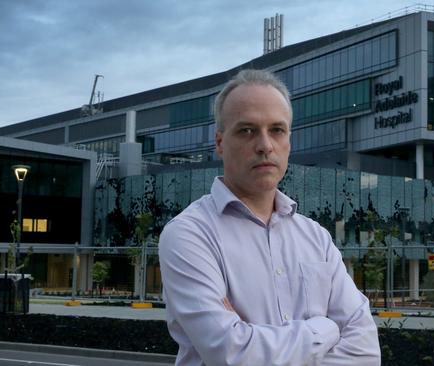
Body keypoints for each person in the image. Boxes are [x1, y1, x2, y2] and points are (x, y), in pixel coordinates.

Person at [159, 69, 380, 365]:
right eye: (247, 130)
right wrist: (325, 329)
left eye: (277, 129)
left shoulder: (316, 237)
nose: (265, 145)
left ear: (289, 139)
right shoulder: (189, 235)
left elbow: (365, 351)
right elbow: (233, 354)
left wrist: (254, 339)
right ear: (220, 142)